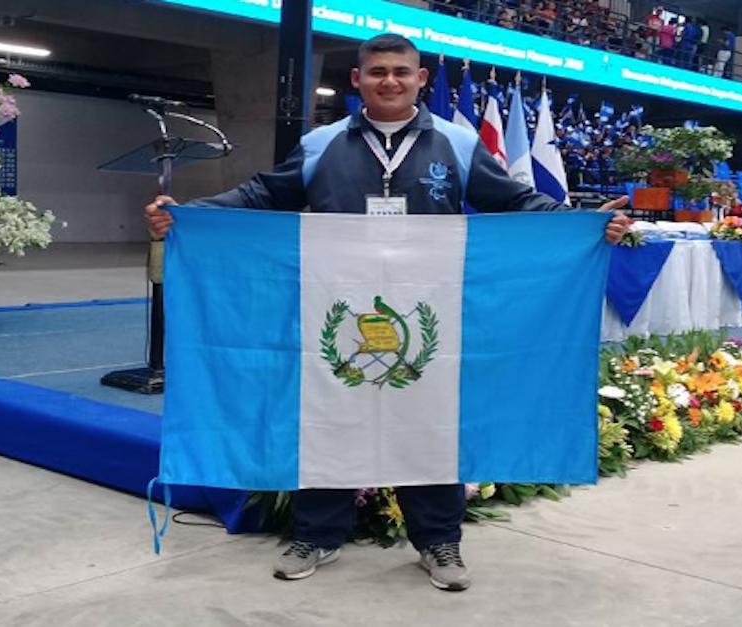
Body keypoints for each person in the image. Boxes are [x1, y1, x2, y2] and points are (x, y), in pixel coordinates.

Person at [144, 34, 629, 592]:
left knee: (431, 421)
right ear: (358, 80)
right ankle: (317, 535)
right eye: (377, 72)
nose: (390, 81)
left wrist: (584, 223)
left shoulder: (457, 142)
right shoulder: (322, 143)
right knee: (329, 414)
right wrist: (191, 214)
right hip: (336, 308)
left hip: (431, 311)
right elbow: (261, 194)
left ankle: (439, 541)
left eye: (401, 71)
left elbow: (515, 201)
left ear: (421, 79)